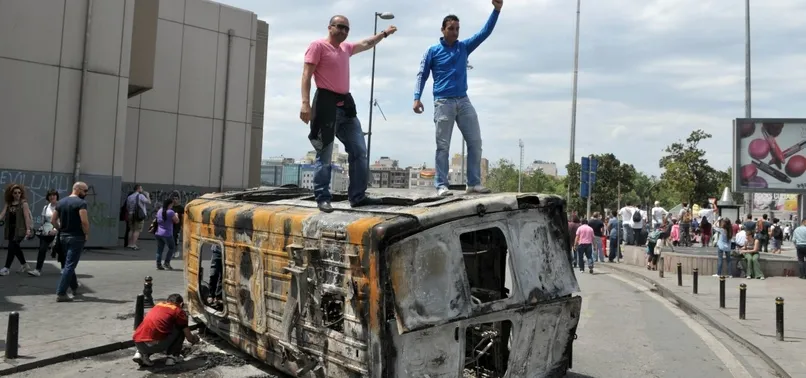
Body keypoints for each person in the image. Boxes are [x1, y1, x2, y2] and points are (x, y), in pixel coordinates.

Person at [300, 15, 397, 213]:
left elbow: (366, 43)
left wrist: (384, 33)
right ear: (330, 27)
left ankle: (358, 196)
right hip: (326, 105)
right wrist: (305, 104)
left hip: (346, 106)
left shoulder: (345, 48)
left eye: (347, 29)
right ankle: (322, 197)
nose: (344, 32)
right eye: (340, 27)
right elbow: (306, 75)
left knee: (359, 150)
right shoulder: (317, 46)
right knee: (325, 154)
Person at [413, 0, 503, 196]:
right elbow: (422, 74)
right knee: (443, 145)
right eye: (451, 28)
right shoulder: (433, 51)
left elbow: (483, 33)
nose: (455, 32)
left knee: (475, 141)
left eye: (457, 29)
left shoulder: (463, 47)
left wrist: (496, 11)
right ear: (443, 30)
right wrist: (416, 97)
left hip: (463, 100)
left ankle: (473, 183)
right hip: (443, 102)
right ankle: (441, 185)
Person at [132, 293, 200, 367]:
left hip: (138, 342)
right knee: (181, 326)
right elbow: (189, 338)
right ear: (181, 304)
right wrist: (195, 339)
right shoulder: (178, 311)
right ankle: (172, 357)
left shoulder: (158, 305)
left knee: (152, 331)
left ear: (167, 301)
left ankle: (140, 353)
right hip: (155, 345)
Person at [51, 182, 90, 302]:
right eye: (85, 191)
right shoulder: (81, 203)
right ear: (78, 189)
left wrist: (60, 229)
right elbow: (84, 221)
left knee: (68, 263)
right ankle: (61, 293)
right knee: (70, 265)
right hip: (76, 237)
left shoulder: (61, 202)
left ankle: (74, 286)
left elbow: (53, 220)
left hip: (63, 237)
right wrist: (86, 233)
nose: (86, 193)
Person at [0, 184, 34, 275]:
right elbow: (2, 214)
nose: (17, 194)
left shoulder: (24, 204)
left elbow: (27, 217)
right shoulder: (9, 203)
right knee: (15, 247)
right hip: (11, 229)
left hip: (20, 229)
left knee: (12, 246)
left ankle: (7, 268)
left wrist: (28, 230)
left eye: (19, 193)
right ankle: (24, 264)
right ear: (11, 194)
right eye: (15, 193)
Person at [30, 189, 60, 277]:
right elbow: (43, 220)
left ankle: (64, 268)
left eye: (54, 195)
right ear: (48, 197)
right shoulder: (46, 207)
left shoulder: (61, 206)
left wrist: (55, 229)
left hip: (57, 230)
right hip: (46, 231)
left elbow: (62, 219)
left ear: (57, 196)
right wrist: (41, 228)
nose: (52, 197)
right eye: (50, 195)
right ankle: (37, 270)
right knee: (42, 250)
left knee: (61, 251)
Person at [155, 198, 179, 270]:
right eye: (172, 204)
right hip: (167, 233)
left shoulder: (160, 210)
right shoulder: (171, 212)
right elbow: (176, 221)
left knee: (160, 249)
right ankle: (166, 263)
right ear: (170, 204)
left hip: (158, 233)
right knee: (172, 248)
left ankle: (158, 264)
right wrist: (176, 215)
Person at [126, 185, 151, 250]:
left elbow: (127, 206)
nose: (142, 189)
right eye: (141, 188)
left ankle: (129, 244)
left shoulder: (130, 197)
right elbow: (149, 202)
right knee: (137, 230)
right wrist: (147, 195)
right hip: (138, 215)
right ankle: (133, 244)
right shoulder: (141, 196)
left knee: (131, 229)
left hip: (131, 214)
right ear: (138, 189)